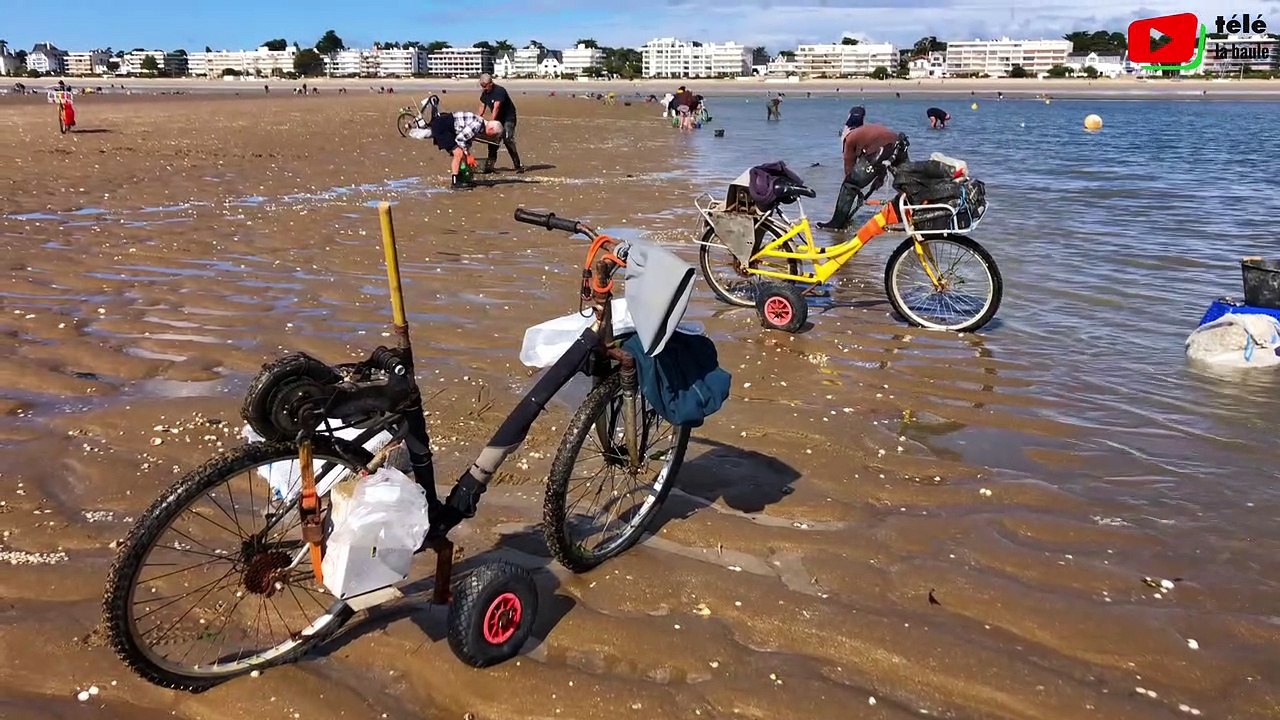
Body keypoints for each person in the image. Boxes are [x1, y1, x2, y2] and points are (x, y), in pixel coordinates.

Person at [817, 122, 909, 230]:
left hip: (881, 149)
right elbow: (886, 154)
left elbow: (849, 169)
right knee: (907, 184)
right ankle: (914, 215)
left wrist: (855, 188)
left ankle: (837, 223)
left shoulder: (849, 139)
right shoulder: (866, 131)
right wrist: (880, 177)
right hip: (899, 145)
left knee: (849, 185)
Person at [419, 111, 505, 190]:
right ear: (491, 129)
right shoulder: (477, 125)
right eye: (493, 135)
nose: (490, 137)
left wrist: (467, 153)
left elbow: (467, 140)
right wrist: (468, 155)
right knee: (458, 153)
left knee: (462, 153)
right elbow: (460, 139)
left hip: (448, 127)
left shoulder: (481, 124)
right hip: (442, 126)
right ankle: (455, 182)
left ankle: (462, 179)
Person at [476, 73, 523, 173]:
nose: (483, 88)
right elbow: (481, 108)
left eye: (484, 86)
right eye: (481, 86)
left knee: (508, 139)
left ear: (490, 83)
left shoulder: (499, 91)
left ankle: (517, 165)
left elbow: (496, 108)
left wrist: (491, 124)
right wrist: (476, 120)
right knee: (492, 141)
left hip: (508, 118)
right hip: (498, 119)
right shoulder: (485, 93)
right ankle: (490, 166)